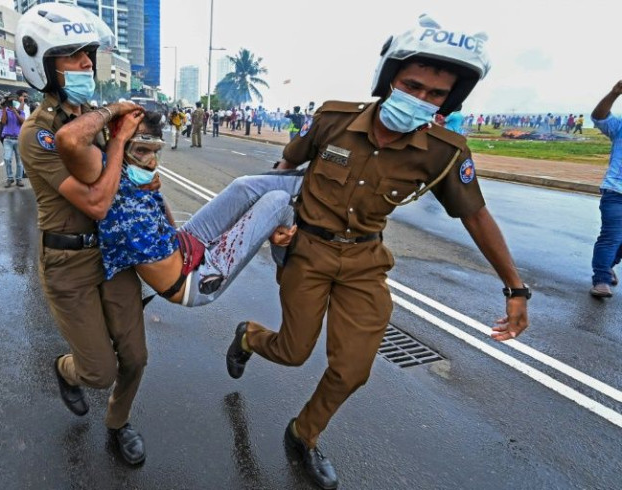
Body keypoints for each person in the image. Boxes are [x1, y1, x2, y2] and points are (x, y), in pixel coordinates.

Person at [224, 16, 531, 490]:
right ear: (390, 77)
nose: (422, 99)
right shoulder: (334, 119)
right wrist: (276, 223)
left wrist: (515, 287)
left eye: (436, 94)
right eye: (413, 85)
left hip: (365, 263)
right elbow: (285, 166)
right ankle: (248, 337)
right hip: (306, 252)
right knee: (292, 352)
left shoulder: (444, 151)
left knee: (352, 370)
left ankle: (304, 434)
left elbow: (476, 215)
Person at [16, 3, 149, 466]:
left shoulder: (92, 117)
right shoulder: (39, 136)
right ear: (44, 66)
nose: (86, 63)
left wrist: (137, 163)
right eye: (72, 54)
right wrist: (115, 139)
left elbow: (122, 179)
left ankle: (117, 423)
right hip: (68, 265)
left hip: (112, 255)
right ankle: (65, 371)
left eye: (87, 52)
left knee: (134, 357)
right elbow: (95, 202)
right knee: (98, 369)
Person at [58, 111, 303, 307]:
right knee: (278, 201)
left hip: (184, 242)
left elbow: (163, 218)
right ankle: (285, 263)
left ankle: (312, 181)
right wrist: (118, 119)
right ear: (117, 142)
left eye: (155, 152)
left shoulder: (138, 177)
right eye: (141, 151)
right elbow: (68, 138)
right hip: (194, 280)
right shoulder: (103, 168)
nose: (152, 162)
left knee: (243, 186)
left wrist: (155, 194)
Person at [589, 80, 622, 298]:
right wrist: (614, 93)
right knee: (611, 236)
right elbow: (599, 116)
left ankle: (608, 264)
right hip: (616, 192)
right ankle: (601, 279)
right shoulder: (620, 126)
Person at [0, 94, 25, 188]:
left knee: (19, 161)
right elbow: (3, 122)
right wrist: (5, 109)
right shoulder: (3, 111)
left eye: (12, 101)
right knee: (7, 158)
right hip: (8, 139)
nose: (11, 103)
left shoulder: (20, 111)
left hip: (19, 139)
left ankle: (19, 179)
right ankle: (10, 178)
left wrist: (15, 112)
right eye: (9, 101)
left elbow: (23, 122)